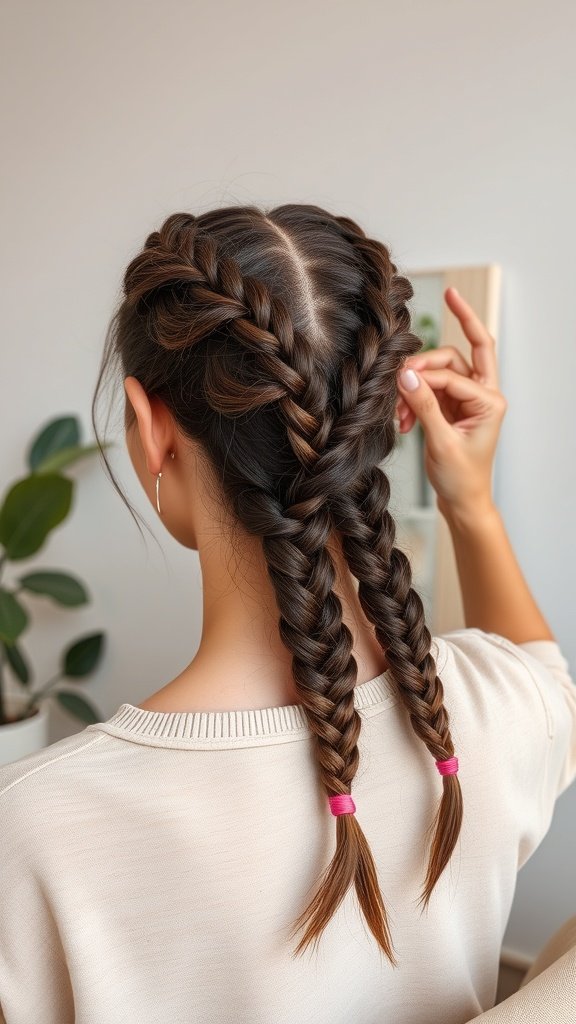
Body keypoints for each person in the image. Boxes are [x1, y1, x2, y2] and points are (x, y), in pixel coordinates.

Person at [0, 205, 574, 1024]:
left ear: (152, 427)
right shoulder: (488, 713)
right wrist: (471, 504)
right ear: (385, 420)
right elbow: (544, 673)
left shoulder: (32, 832)